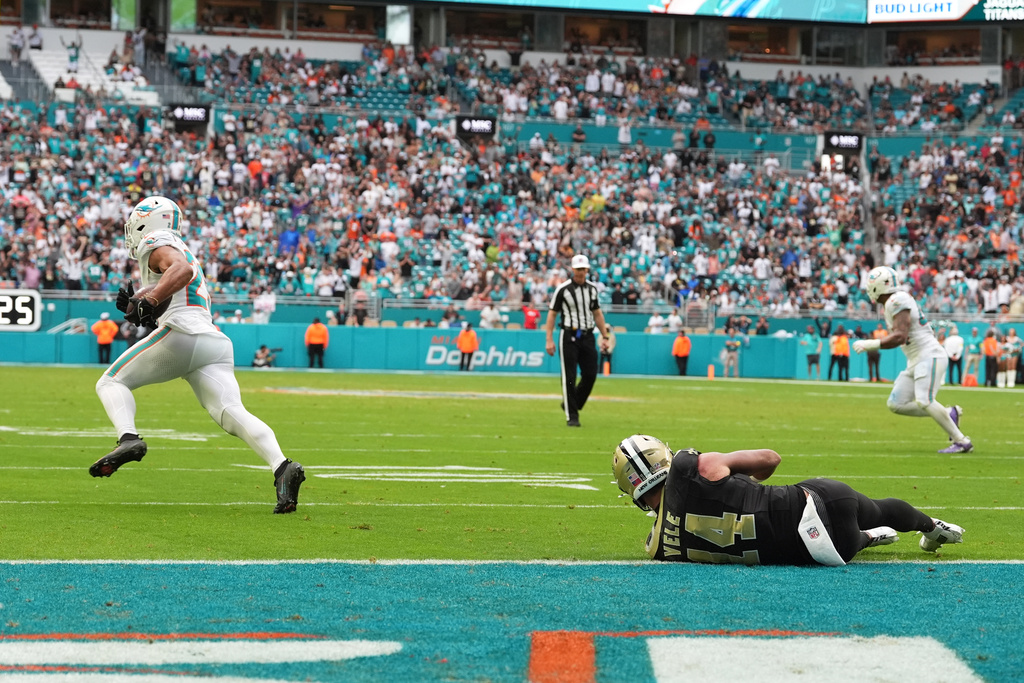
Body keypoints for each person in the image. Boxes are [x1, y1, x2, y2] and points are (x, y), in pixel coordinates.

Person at [92, 196, 305, 514]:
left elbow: (181, 271)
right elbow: (175, 285)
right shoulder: (179, 246)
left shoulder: (156, 240)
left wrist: (149, 302)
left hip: (183, 334)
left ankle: (128, 439)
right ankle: (283, 468)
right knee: (231, 412)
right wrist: (140, 301)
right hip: (212, 342)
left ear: (147, 221)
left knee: (111, 382)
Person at [612, 434, 964, 566]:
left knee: (841, 538)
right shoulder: (691, 467)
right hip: (822, 503)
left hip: (825, 553)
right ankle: (931, 527)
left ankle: (868, 538)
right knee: (879, 508)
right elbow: (771, 459)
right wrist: (743, 483)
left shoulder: (658, 547)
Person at [853, 267, 972, 453]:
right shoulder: (894, 301)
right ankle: (949, 413)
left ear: (879, 285)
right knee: (896, 403)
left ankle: (962, 441)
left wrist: (871, 344)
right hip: (916, 360)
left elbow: (900, 336)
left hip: (929, 355)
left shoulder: (897, 300)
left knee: (925, 400)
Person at [544, 254, 611, 427]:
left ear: (587, 270)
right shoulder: (563, 289)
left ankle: (572, 402)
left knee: (590, 374)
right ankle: (572, 415)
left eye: (584, 269)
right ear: (573, 269)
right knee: (569, 376)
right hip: (568, 335)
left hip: (587, 335)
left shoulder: (592, 289)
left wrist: (605, 336)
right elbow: (552, 314)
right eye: (578, 269)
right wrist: (549, 339)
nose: (581, 272)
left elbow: (597, 313)